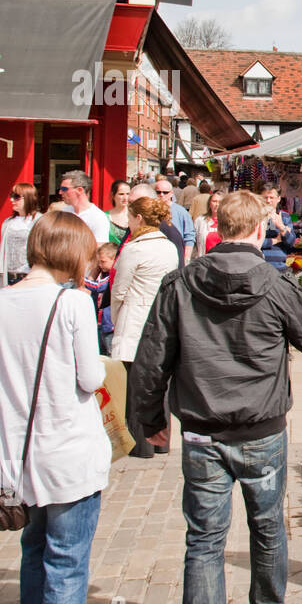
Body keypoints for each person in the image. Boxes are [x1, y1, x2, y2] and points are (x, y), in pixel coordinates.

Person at [128, 190, 302, 604]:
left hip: (204, 431)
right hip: (260, 428)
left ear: (218, 227)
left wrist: (149, 421)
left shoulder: (180, 283)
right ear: (259, 229)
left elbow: (151, 360)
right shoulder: (274, 284)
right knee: (267, 524)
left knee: (204, 541)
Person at [0, 211, 108, 604]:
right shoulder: (73, 303)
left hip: (12, 456)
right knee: (66, 564)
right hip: (67, 452)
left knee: (33, 554)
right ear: (72, 252)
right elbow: (90, 377)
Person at [110, 195, 180, 458]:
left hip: (136, 318)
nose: (128, 223)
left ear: (138, 218)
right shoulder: (169, 248)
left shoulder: (133, 249)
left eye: (129, 218)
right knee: (159, 383)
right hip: (162, 320)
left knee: (136, 385)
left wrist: (116, 319)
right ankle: (161, 442)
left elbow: (119, 291)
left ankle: (141, 445)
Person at [0, 182, 41, 295]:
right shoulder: (8, 222)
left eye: (16, 197)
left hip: (30, 278)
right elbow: (0, 253)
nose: (12, 200)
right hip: (8, 279)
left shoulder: (40, 221)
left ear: (28, 198)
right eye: (11, 196)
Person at [58, 170, 111, 245]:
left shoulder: (98, 217)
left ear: (79, 190)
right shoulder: (65, 211)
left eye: (64, 189)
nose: (60, 192)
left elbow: (99, 248)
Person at [85, 242, 118, 355]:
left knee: (111, 354)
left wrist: (82, 280)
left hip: (110, 326)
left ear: (114, 260)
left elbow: (98, 286)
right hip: (102, 324)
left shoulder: (113, 275)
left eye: (103, 262)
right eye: (98, 262)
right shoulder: (105, 275)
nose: (100, 265)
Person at [155, 177, 196, 262]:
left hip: (176, 257)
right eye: (158, 192)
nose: (161, 195)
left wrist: (186, 258)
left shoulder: (181, 212)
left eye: (165, 192)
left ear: (171, 193)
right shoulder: (151, 210)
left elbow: (189, 237)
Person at [257, 184, 297, 270]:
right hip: (259, 265)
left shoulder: (285, 216)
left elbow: (291, 243)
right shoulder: (254, 216)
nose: (268, 201)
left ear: (278, 199)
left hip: (279, 266)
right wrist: (276, 240)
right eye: (265, 197)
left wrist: (281, 227)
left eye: (271, 197)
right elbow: (251, 243)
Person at [192, 190, 224, 260]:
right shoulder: (200, 221)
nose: (217, 204)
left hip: (222, 262)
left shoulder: (229, 222)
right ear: (209, 204)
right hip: (204, 261)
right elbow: (192, 241)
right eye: (214, 201)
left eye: (220, 202)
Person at [105, 180, 130, 245]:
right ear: (113, 195)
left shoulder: (136, 215)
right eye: (121, 194)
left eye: (128, 194)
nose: (125, 198)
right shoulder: (105, 217)